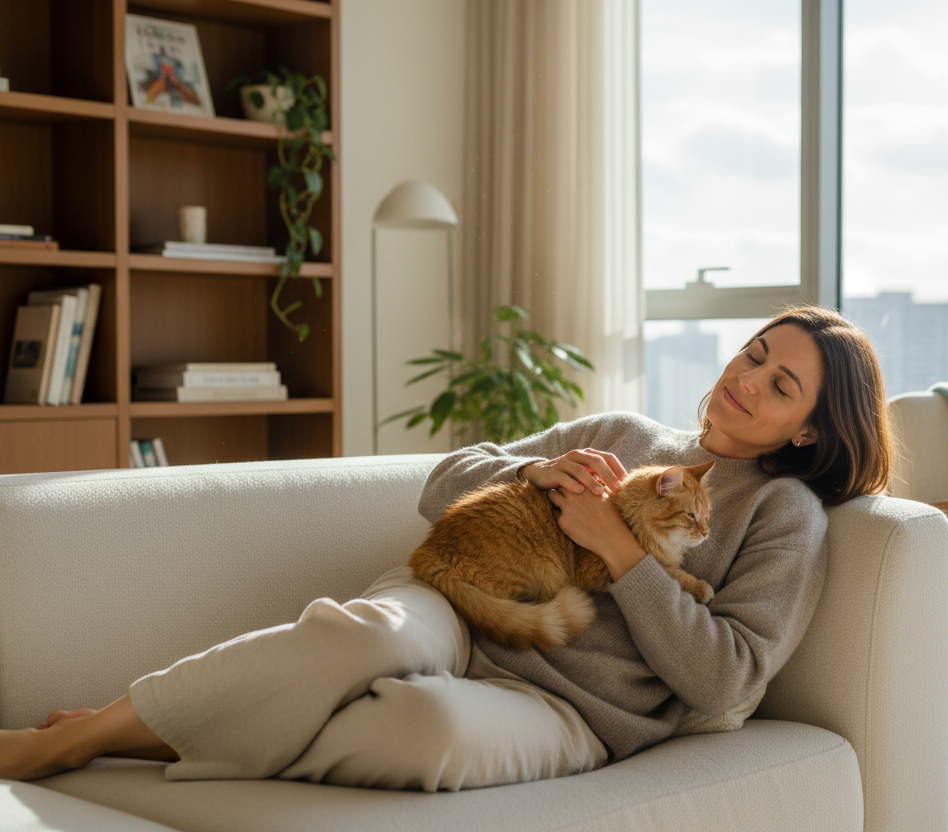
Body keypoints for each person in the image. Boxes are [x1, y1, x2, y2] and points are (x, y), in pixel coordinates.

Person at [0, 305, 892, 789]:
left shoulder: (785, 515)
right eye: (753, 354)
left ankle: (159, 734)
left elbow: (728, 678)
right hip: (457, 602)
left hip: (573, 709)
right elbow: (443, 482)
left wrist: (619, 554)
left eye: (780, 385)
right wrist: (534, 474)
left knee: (421, 731)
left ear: (809, 431)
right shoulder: (621, 431)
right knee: (363, 640)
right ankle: (69, 744)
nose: (745, 380)